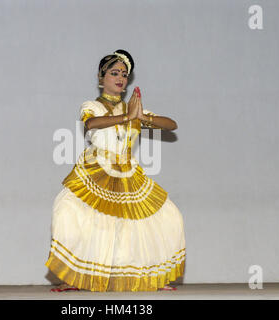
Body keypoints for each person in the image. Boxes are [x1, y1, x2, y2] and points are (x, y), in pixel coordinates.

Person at [45, 49, 186, 292]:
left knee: (159, 219)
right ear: (101, 78)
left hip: (127, 172)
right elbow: (91, 124)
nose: (120, 78)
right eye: (114, 73)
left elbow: (171, 124)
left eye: (124, 74)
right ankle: (75, 278)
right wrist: (127, 117)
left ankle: (148, 278)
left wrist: (141, 116)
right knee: (74, 215)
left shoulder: (133, 109)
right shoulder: (92, 106)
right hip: (97, 169)